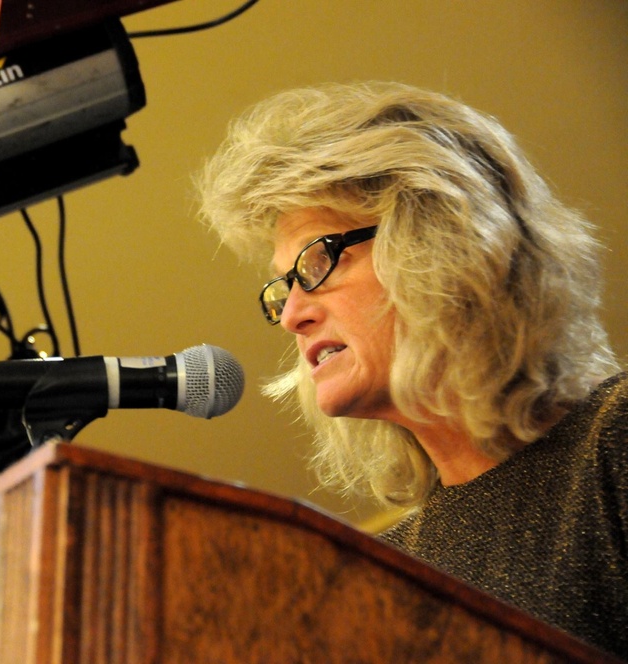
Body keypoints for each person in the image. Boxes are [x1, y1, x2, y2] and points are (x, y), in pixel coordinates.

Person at [196, 81, 627, 659]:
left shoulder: (614, 442)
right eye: (284, 286)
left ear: (445, 244)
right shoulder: (384, 572)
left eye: (319, 261)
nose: (292, 314)